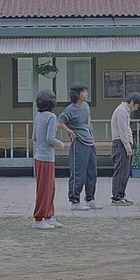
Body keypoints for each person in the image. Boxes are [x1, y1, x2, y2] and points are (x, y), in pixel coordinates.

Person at [57, 82, 102, 211]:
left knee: (92, 173)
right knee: (78, 174)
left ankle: (90, 199)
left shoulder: (86, 106)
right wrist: (71, 132)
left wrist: (89, 129)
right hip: (79, 144)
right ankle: (75, 201)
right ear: (77, 94)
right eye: (84, 92)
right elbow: (59, 122)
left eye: (86, 91)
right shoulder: (70, 109)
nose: (86, 94)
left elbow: (88, 118)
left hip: (90, 142)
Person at [32, 90, 65, 229]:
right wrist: (60, 144)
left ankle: (48, 216)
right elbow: (50, 138)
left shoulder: (38, 116)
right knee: (46, 189)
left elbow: (34, 137)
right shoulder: (51, 117)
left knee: (48, 188)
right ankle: (39, 219)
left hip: (39, 156)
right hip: (46, 158)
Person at [110, 92, 140, 206]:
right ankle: (116, 197)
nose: (136, 108)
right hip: (120, 143)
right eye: (137, 106)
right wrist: (127, 146)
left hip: (123, 143)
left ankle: (121, 195)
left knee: (125, 172)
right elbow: (122, 131)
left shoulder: (125, 111)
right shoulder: (122, 111)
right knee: (120, 171)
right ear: (132, 102)